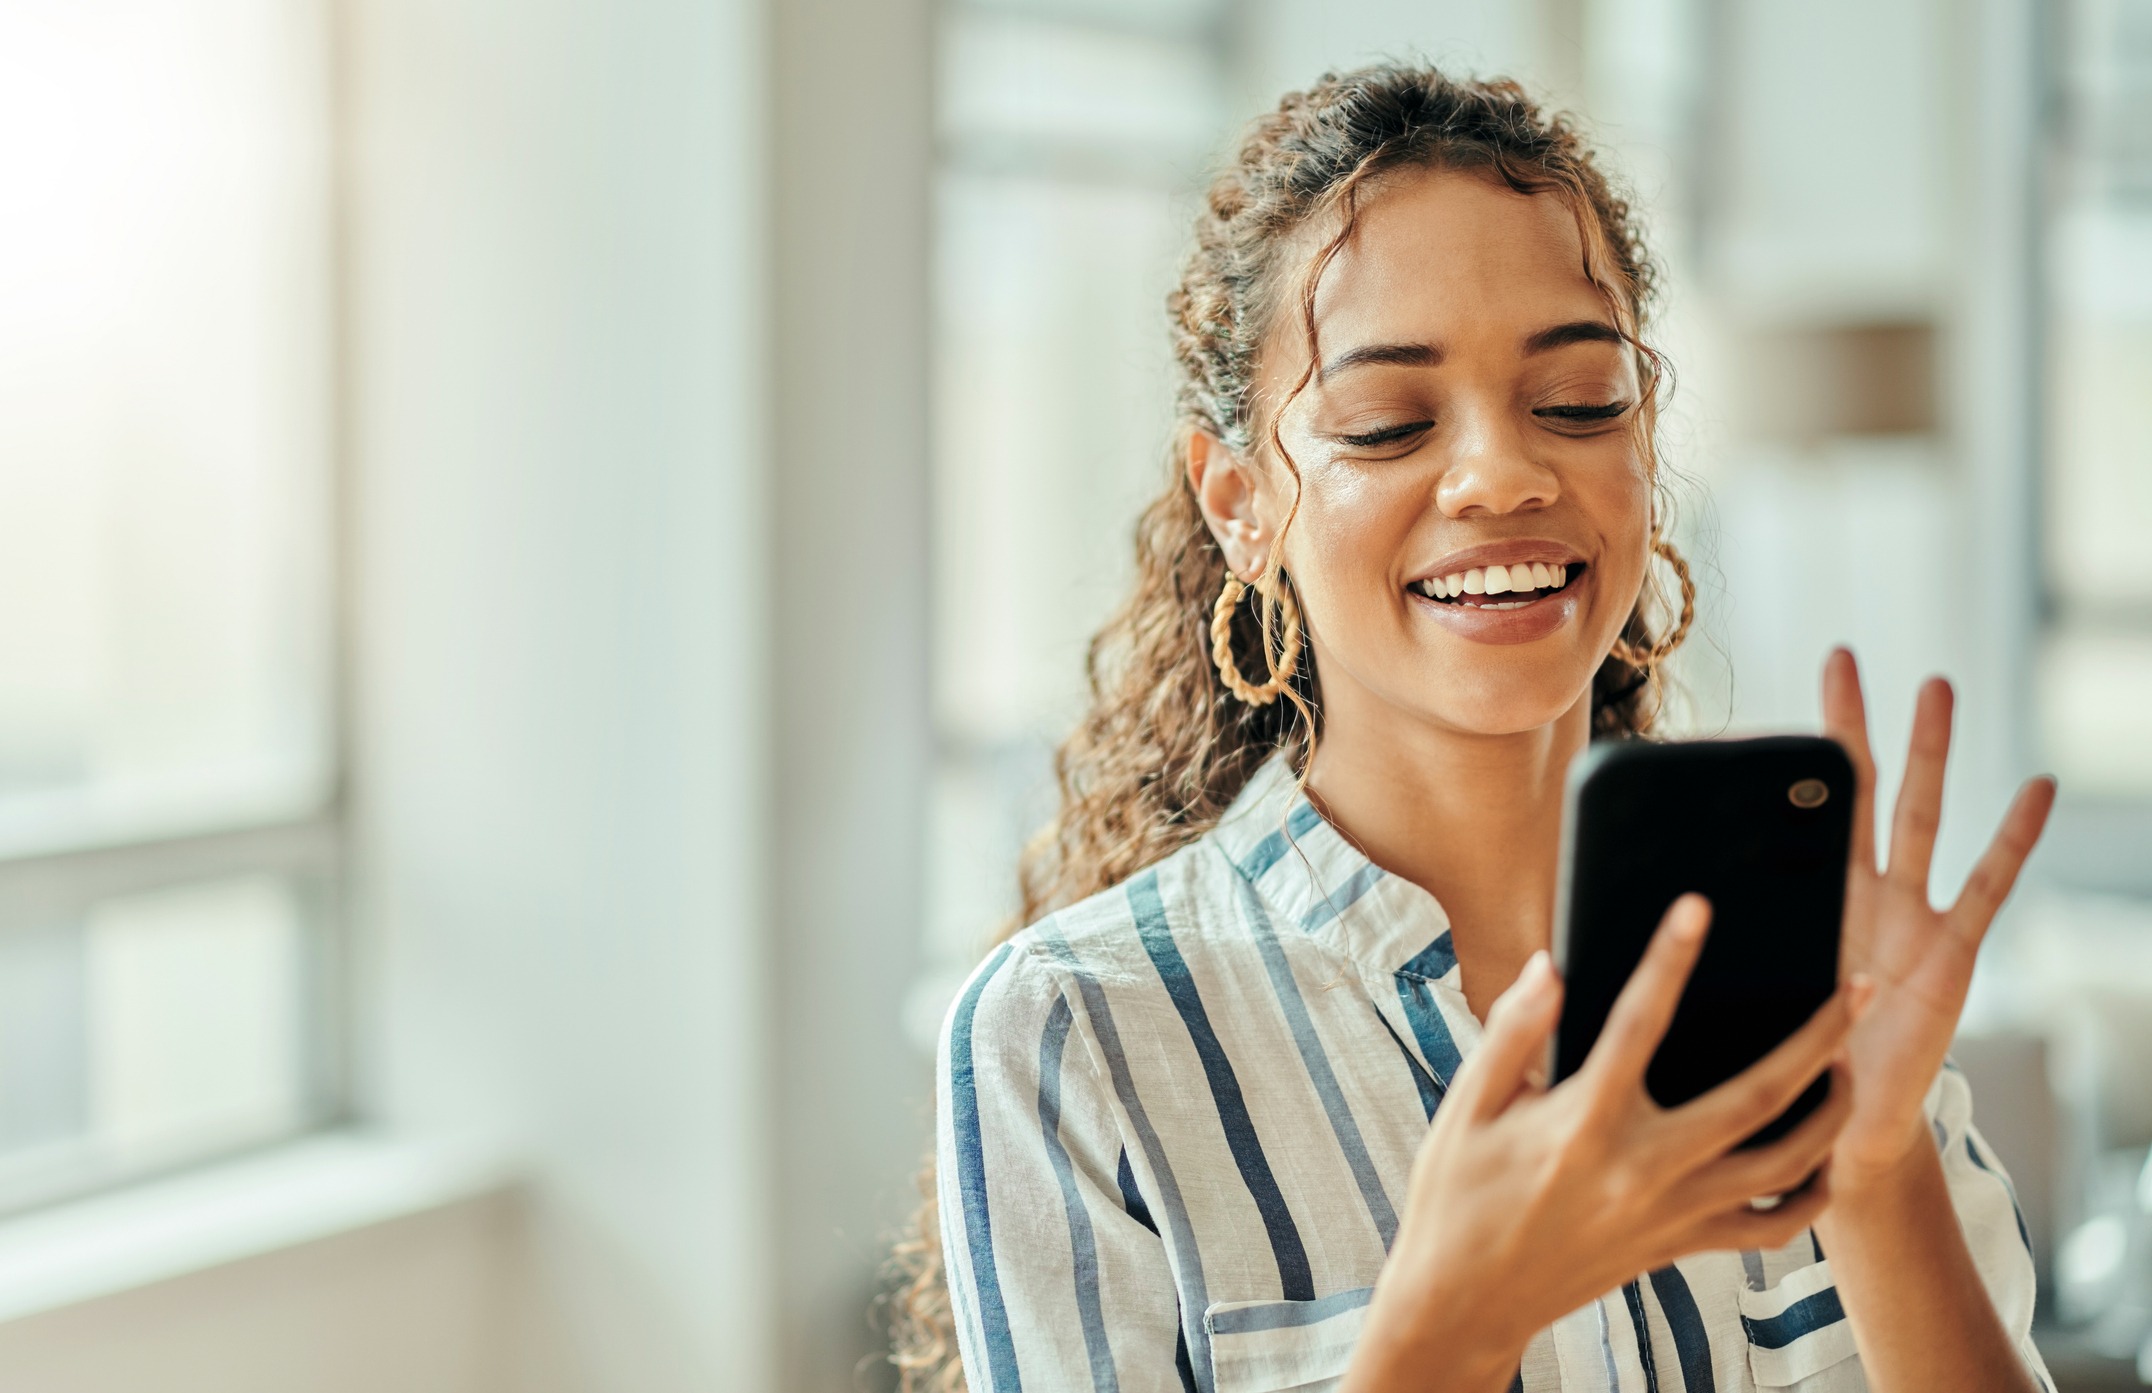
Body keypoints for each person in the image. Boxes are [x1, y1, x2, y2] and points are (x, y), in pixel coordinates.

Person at [890, 64, 2057, 1393]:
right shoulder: (1076, 1036)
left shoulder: (1795, 959)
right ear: (1237, 501)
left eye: (1578, 398)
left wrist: (1879, 1162)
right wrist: (1444, 1332)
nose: (1504, 473)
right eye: (1389, 421)